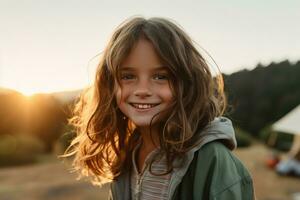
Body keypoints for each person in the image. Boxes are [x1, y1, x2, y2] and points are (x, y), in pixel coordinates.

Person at [65, 17, 255, 200]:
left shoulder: (213, 160)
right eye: (128, 76)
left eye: (160, 76)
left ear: (186, 83)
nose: (142, 90)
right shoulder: (126, 156)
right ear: (109, 85)